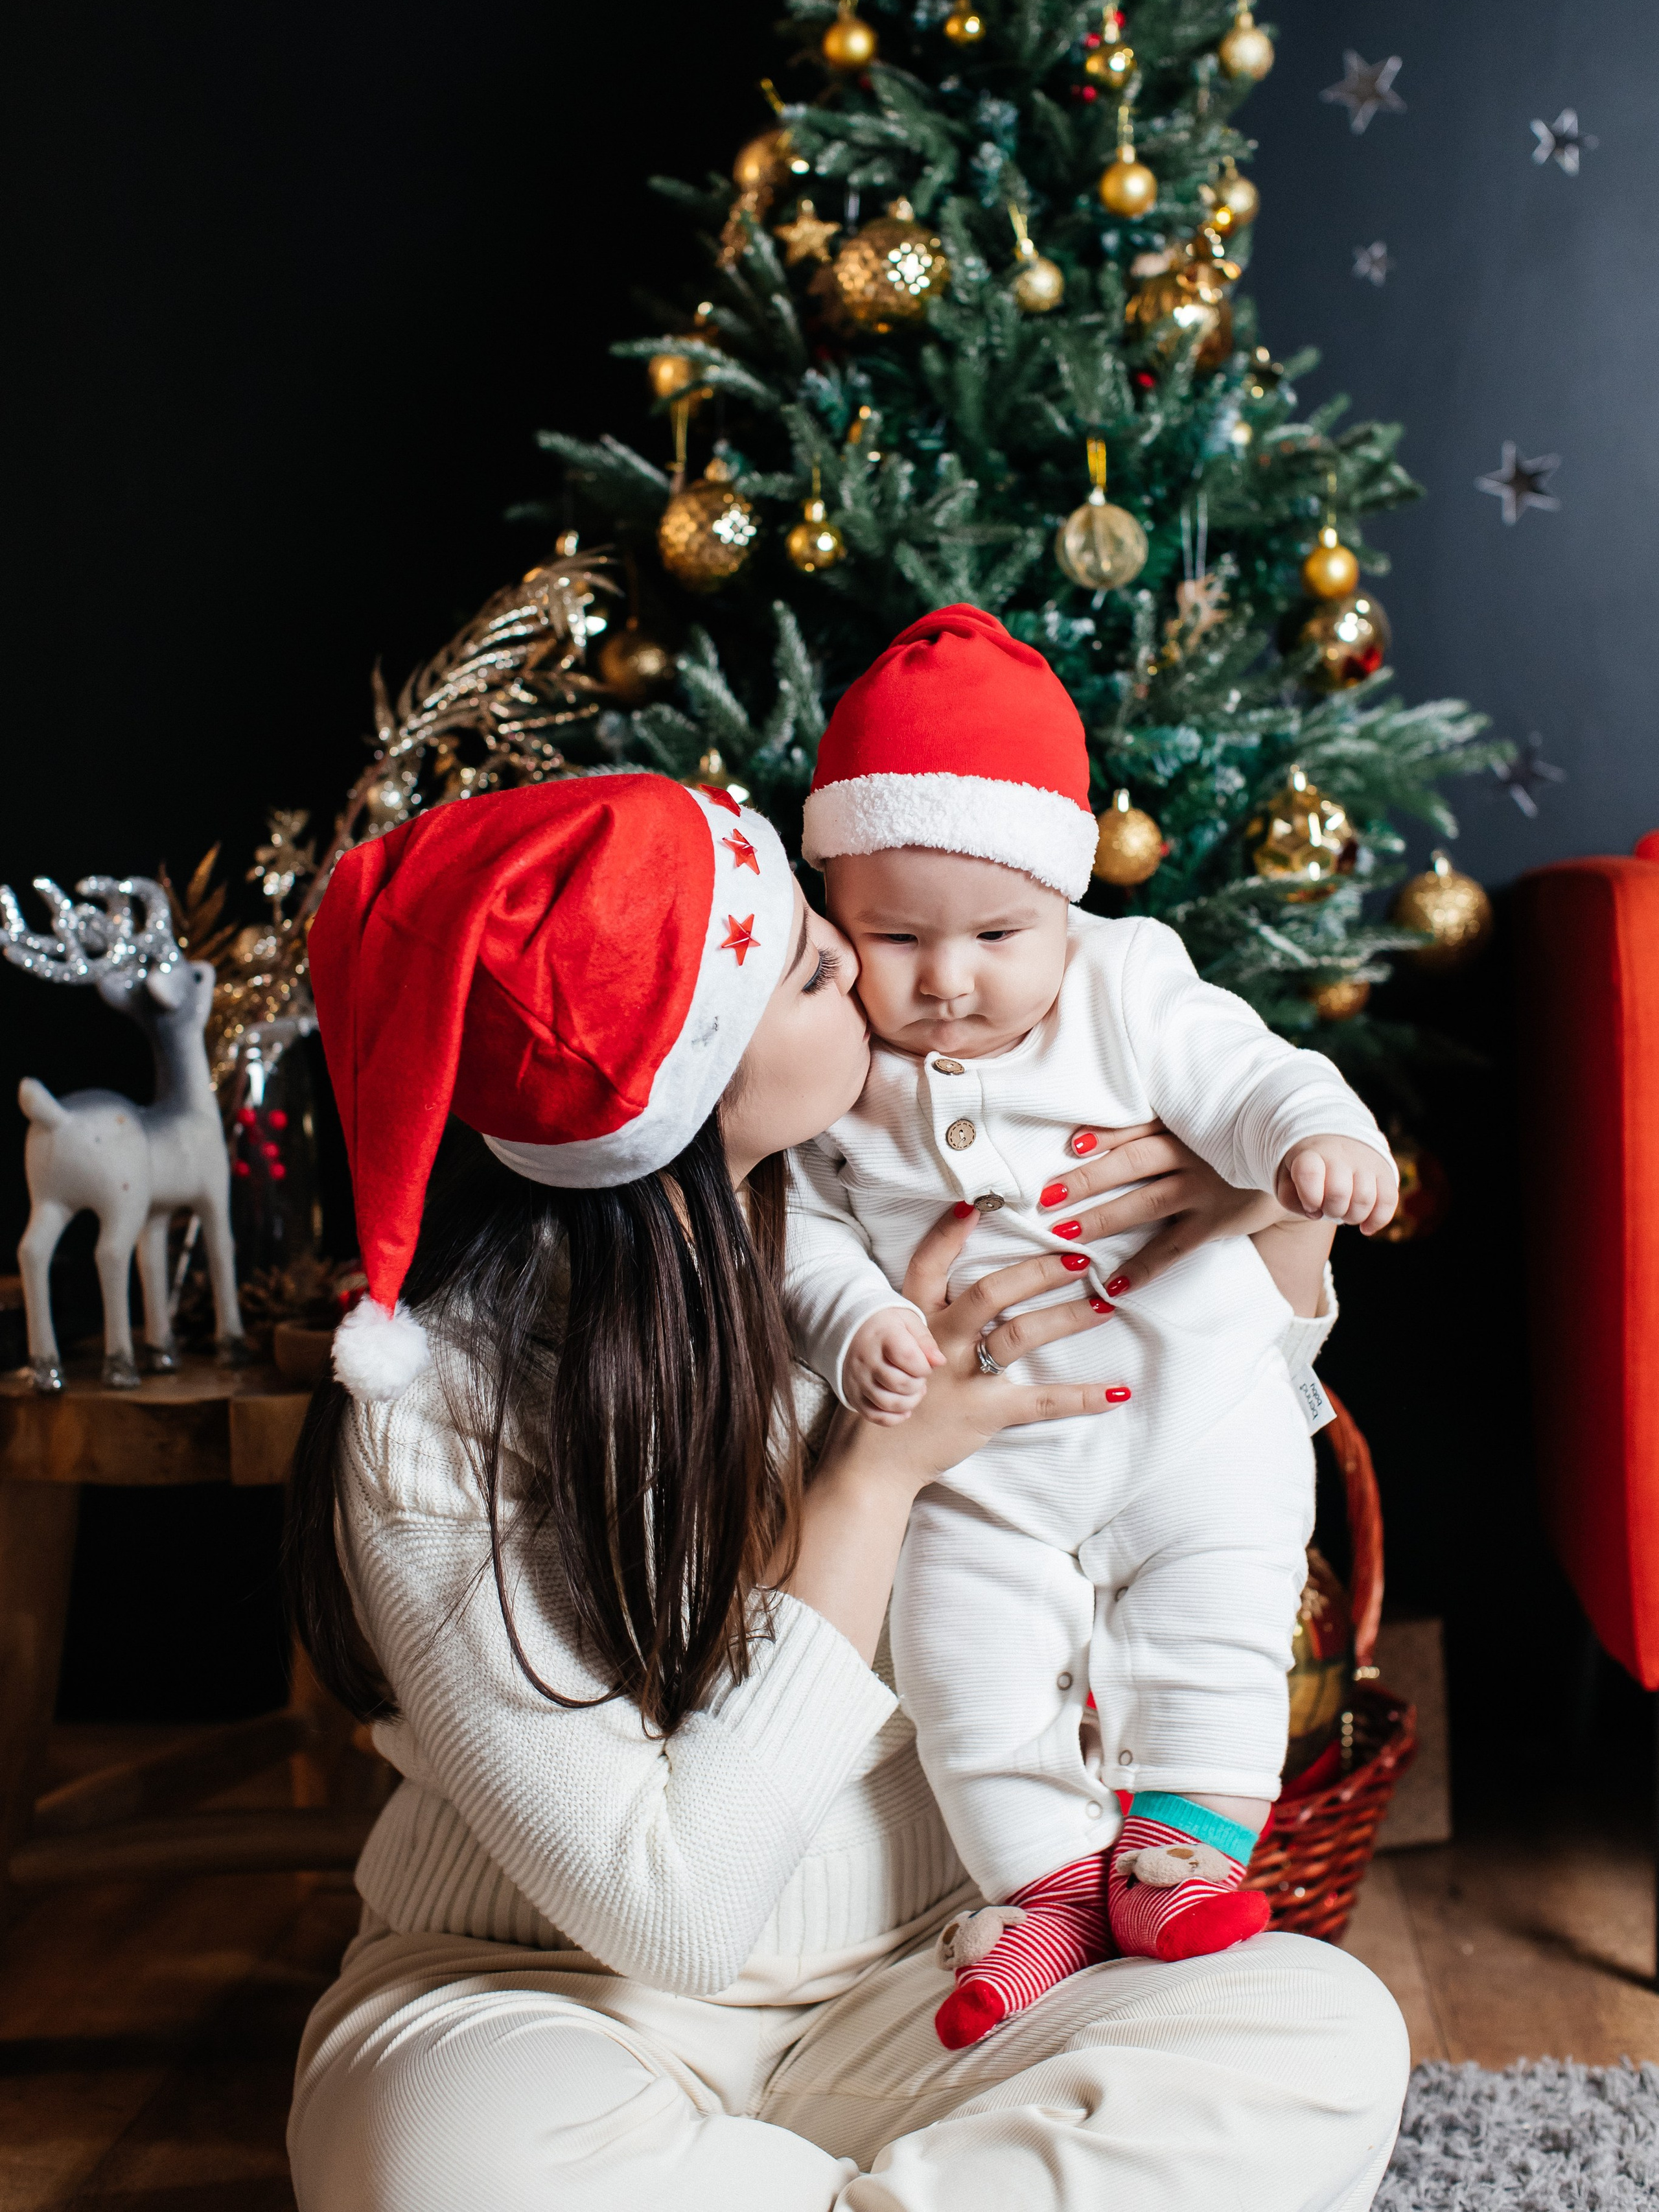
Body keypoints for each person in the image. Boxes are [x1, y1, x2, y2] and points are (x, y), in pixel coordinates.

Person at [284, 769, 1409, 2212]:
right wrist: (878, 1474)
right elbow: (673, 1920)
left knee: (1320, 2035)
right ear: (694, 1079)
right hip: (546, 2005)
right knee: (445, 2166)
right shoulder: (433, 1406)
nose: (865, 958)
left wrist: (1261, 1204)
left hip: (935, 1980)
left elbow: (1178, 1428)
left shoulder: (916, 1190)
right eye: (812, 968)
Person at [789, 607, 1399, 2045]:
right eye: (894, 938)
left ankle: (1182, 1854)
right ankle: (1047, 1887)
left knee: (1221, 1620)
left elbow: (1252, 1072)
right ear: (837, 916)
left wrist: (1312, 1143)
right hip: (983, 1464)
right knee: (959, 1653)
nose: (947, 980)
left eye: (997, 936)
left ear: (1064, 904)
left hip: (1192, 1411)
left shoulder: (1125, 984)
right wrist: (853, 1318)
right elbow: (801, 1232)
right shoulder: (840, 1061)